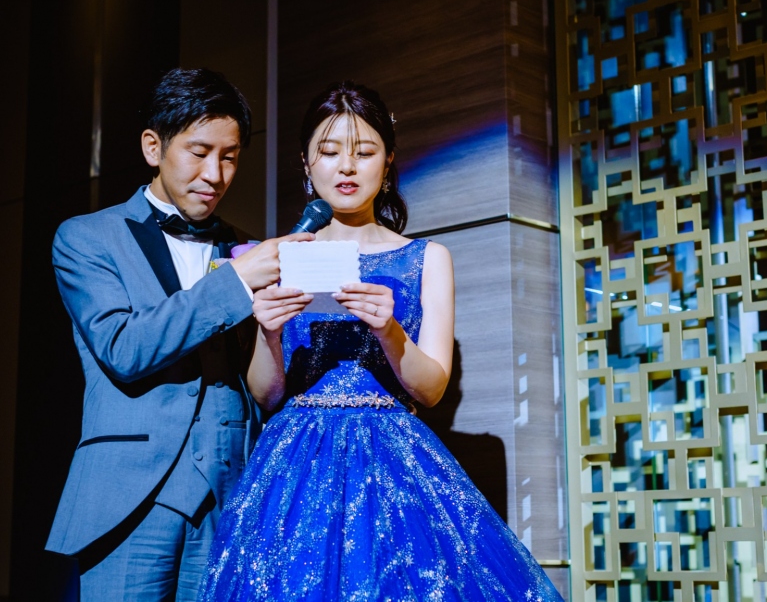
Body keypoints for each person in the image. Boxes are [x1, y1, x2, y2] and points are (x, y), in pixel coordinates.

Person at [199, 81, 563, 601]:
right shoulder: (278, 256)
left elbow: (431, 389)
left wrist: (388, 330)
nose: (346, 167)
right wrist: (270, 333)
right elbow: (266, 394)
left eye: (364, 152)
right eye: (329, 152)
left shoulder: (426, 258)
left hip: (393, 457)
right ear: (306, 163)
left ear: (388, 162)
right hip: (295, 461)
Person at [45, 68, 312, 600]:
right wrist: (237, 282)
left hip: (230, 497)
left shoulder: (246, 249)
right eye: (199, 152)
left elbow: (261, 386)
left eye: (230, 156)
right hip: (129, 497)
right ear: (154, 147)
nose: (215, 173)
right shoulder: (86, 237)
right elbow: (124, 347)